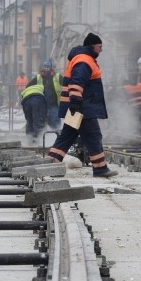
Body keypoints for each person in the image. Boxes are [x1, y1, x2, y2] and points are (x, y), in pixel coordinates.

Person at [47, 32, 117, 178]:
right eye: (99, 46)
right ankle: (100, 169)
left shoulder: (82, 58)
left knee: (68, 135)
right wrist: (76, 103)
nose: (101, 50)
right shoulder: (85, 60)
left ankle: (51, 162)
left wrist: (74, 104)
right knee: (94, 135)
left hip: (77, 106)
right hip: (83, 108)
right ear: (92, 46)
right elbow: (77, 82)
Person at [35, 61, 62, 130]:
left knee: (55, 124)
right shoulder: (39, 77)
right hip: (43, 106)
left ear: (50, 68)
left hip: (54, 105)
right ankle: (44, 139)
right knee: (42, 125)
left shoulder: (57, 76)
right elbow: (29, 86)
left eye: (47, 67)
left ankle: (56, 138)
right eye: (45, 67)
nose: (46, 69)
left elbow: (66, 84)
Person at [19, 78, 47, 143]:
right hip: (37, 99)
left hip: (25, 101)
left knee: (29, 121)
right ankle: (39, 141)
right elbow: (46, 102)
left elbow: (23, 102)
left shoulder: (28, 88)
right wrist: (45, 117)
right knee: (38, 121)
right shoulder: (43, 88)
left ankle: (29, 139)